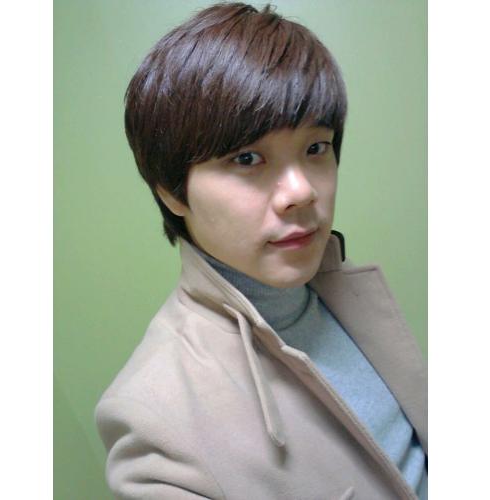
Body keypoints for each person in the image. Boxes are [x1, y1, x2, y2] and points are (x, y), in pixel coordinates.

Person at [95, 2, 428, 499]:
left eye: (316, 148)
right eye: (247, 158)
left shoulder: (343, 291)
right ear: (171, 192)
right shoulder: (153, 423)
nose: (302, 192)